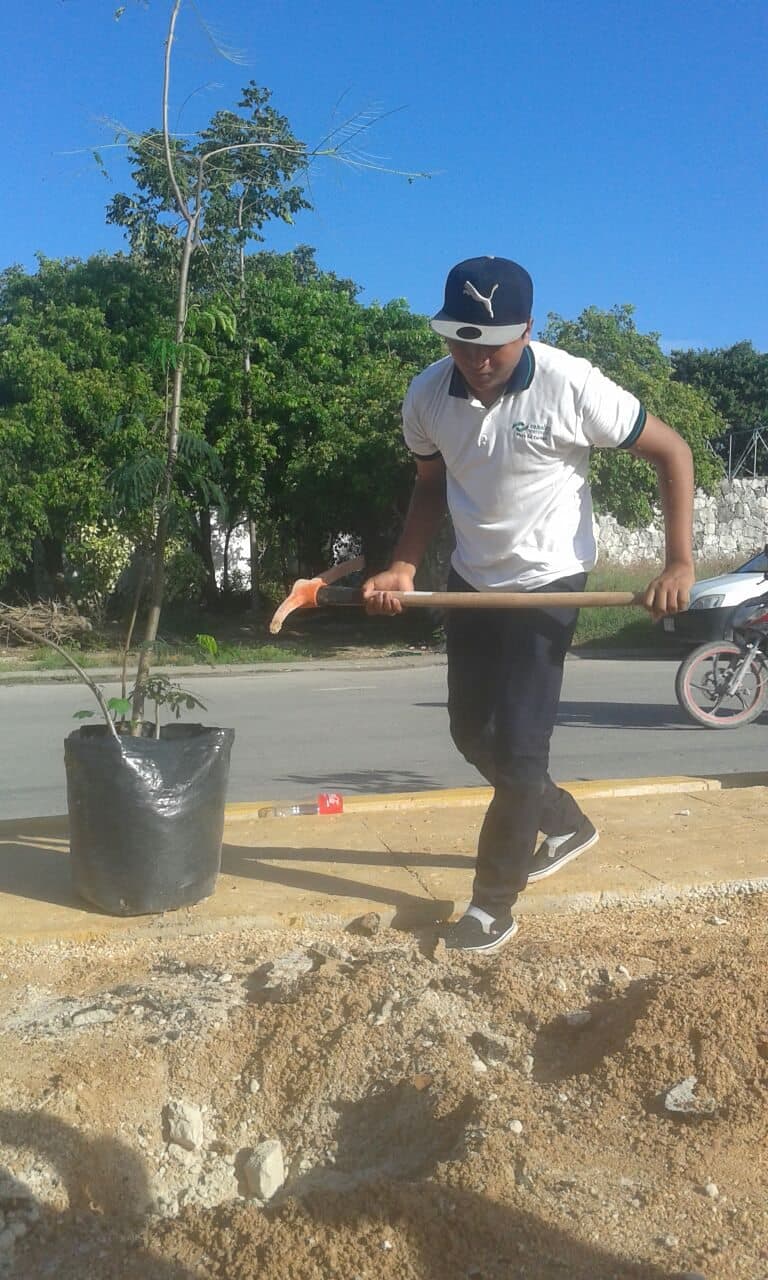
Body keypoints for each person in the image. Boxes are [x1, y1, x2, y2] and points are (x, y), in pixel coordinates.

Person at [362, 255, 695, 954]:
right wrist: (400, 565)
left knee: (517, 751)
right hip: (471, 582)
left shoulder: (572, 384)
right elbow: (429, 486)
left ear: (527, 329)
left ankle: (492, 904)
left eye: (493, 342)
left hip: (550, 584)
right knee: (470, 733)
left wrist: (680, 561)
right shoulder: (426, 396)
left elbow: (673, 452)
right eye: (461, 341)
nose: (476, 358)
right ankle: (566, 822)